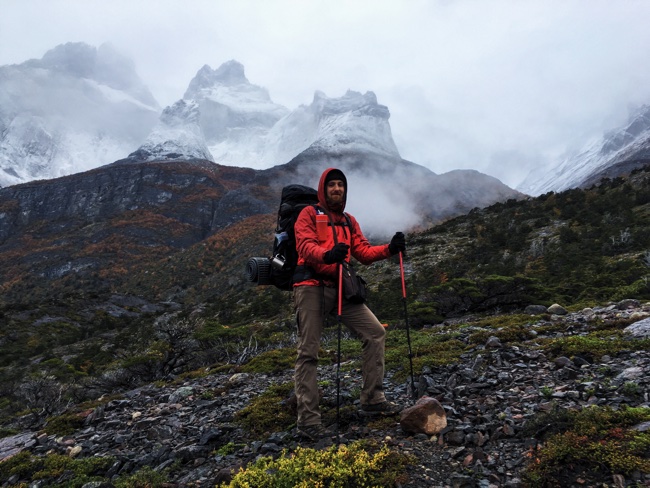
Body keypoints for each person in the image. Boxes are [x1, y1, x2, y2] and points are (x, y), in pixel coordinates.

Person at [292, 167, 407, 440]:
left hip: (342, 286)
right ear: (323, 189)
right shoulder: (308, 214)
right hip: (310, 287)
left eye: (340, 185)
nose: (337, 189)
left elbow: (363, 252)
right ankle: (308, 421)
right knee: (308, 352)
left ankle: (372, 400)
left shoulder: (348, 221)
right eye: (331, 185)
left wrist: (389, 249)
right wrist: (328, 254)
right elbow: (305, 247)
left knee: (375, 332)